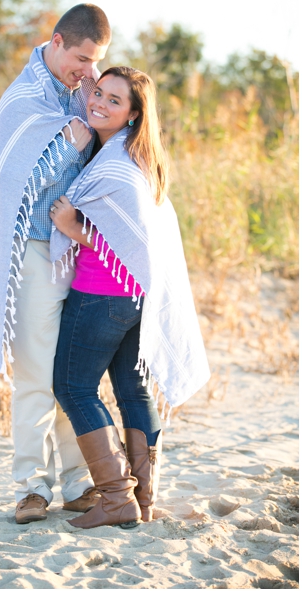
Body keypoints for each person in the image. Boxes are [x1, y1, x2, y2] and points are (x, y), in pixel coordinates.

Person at [49, 67, 210, 529]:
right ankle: (144, 500)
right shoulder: (137, 155)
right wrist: (86, 82)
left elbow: (132, 241)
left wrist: (73, 229)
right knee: (131, 390)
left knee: (73, 388)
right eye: (97, 93)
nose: (98, 103)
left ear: (134, 114)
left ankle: (117, 498)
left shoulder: (116, 164)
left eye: (114, 101)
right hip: (137, 296)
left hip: (102, 293)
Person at [0, 4, 111, 524]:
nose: (86, 70)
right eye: (81, 59)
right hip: (32, 250)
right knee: (33, 372)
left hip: (78, 252)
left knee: (72, 373)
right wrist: (77, 132)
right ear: (56, 42)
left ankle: (78, 481)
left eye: (95, 62)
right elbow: (23, 181)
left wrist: (92, 98)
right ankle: (31, 485)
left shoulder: (83, 92)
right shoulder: (23, 98)